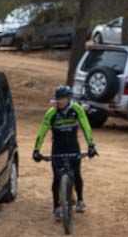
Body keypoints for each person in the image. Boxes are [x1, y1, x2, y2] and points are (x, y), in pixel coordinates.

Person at [32, 85, 97, 217]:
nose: (59, 101)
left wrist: (91, 145)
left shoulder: (77, 109)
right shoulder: (51, 113)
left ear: (69, 98)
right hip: (58, 148)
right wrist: (36, 150)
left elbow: (86, 126)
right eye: (58, 98)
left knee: (77, 175)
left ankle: (80, 200)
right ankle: (56, 206)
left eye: (62, 98)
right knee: (56, 178)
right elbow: (42, 131)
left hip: (73, 147)